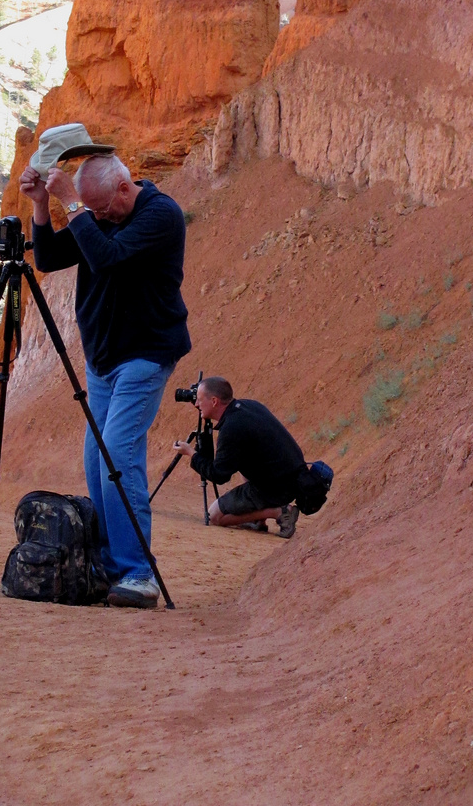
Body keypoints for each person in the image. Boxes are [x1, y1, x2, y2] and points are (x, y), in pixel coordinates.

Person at [19, 124, 191, 609]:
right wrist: (40, 205)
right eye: (91, 209)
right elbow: (50, 258)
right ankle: (114, 569)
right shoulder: (100, 213)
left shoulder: (160, 215)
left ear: (123, 186)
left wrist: (75, 206)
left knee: (118, 450)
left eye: (103, 207)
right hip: (102, 358)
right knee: (96, 460)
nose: (100, 216)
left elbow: (109, 259)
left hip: (146, 353)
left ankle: (140, 574)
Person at [173, 377, 304, 538]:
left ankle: (279, 511)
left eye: (199, 400)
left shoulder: (231, 428)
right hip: (292, 477)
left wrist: (191, 454)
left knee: (215, 516)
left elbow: (219, 475)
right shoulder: (249, 406)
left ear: (214, 401)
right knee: (245, 457)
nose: (196, 404)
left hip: (276, 487)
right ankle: (258, 519)